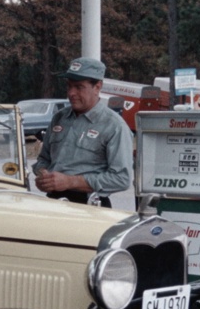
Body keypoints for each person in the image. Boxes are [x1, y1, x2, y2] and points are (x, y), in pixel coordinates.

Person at [32, 57, 133, 208]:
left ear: (97, 87)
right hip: (53, 202)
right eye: (69, 86)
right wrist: (43, 176)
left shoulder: (114, 125)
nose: (71, 93)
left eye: (79, 87)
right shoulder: (60, 118)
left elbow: (121, 179)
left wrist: (70, 181)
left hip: (90, 205)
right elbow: (44, 159)